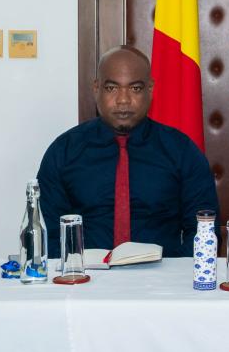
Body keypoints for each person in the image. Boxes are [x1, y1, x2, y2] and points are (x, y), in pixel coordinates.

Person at [36, 46, 217, 257]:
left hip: (161, 279)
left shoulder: (182, 152)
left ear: (150, 89)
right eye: (112, 88)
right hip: (86, 279)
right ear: (96, 89)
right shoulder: (63, 152)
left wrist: (176, 278)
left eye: (135, 89)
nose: (123, 100)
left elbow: (203, 232)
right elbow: (50, 236)